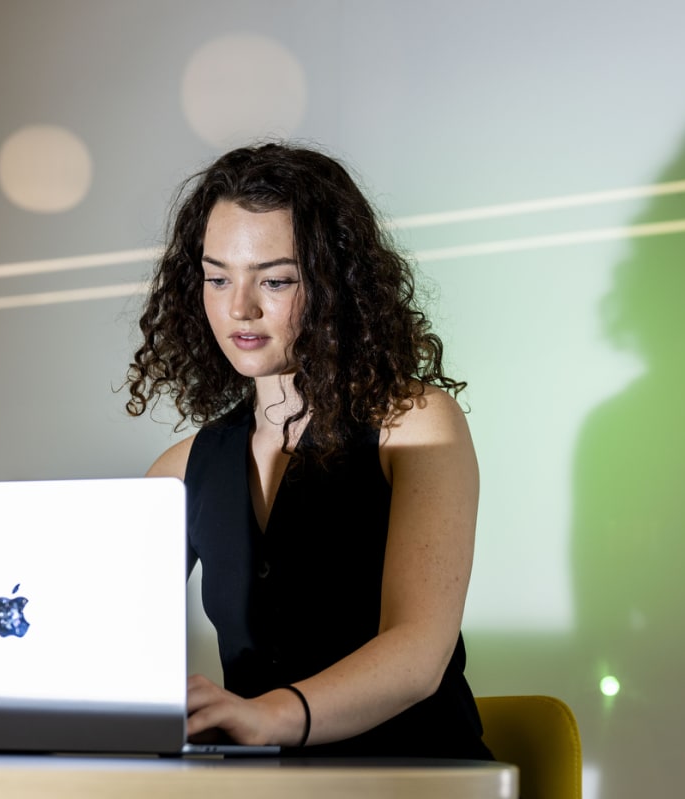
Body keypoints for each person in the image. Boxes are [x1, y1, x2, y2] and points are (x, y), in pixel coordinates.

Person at [125, 143, 492, 759]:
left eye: (275, 279)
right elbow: (98, 639)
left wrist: (266, 717)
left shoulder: (417, 424)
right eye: (217, 278)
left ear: (335, 284)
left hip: (418, 780)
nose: (240, 307)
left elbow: (419, 652)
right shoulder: (179, 471)